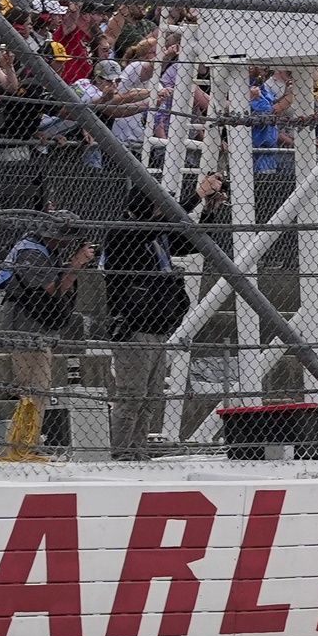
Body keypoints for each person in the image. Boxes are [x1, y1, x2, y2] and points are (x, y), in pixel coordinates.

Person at [103, 172, 224, 457]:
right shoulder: (124, 231)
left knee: (151, 396)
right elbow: (158, 225)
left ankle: (138, 448)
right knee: (131, 395)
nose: (162, 211)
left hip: (158, 325)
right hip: (133, 326)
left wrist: (208, 209)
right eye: (158, 206)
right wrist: (195, 194)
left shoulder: (158, 236)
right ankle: (119, 452)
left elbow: (194, 241)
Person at [0, 223, 93, 460]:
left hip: (37, 328)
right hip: (26, 329)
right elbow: (53, 288)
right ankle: (23, 447)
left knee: (38, 389)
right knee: (33, 388)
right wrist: (76, 264)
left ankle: (27, 443)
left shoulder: (46, 251)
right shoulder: (31, 251)